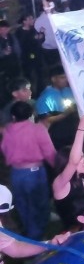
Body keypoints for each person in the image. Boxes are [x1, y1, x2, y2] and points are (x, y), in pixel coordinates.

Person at [0, 100, 56, 238]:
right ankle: (37, 236)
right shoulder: (38, 129)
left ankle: (29, 231)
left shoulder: (7, 130)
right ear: (31, 114)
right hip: (35, 172)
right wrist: (58, 167)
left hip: (16, 173)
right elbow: (49, 152)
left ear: (13, 117)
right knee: (38, 203)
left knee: (22, 204)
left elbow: (4, 149)